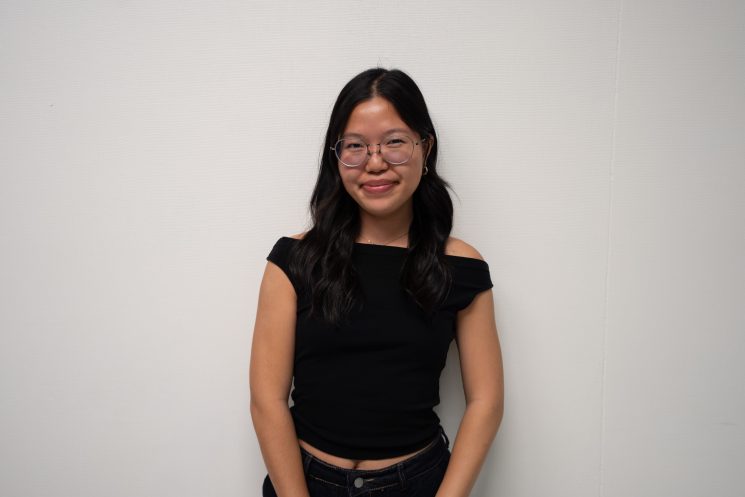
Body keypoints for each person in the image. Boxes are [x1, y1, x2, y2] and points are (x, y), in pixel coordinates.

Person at [249, 67, 504, 497]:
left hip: (417, 482)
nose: (375, 162)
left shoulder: (461, 267)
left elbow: (486, 402)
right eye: (355, 146)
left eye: (394, 142)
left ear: (426, 147)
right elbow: (266, 400)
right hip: (304, 482)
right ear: (336, 156)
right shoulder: (294, 260)